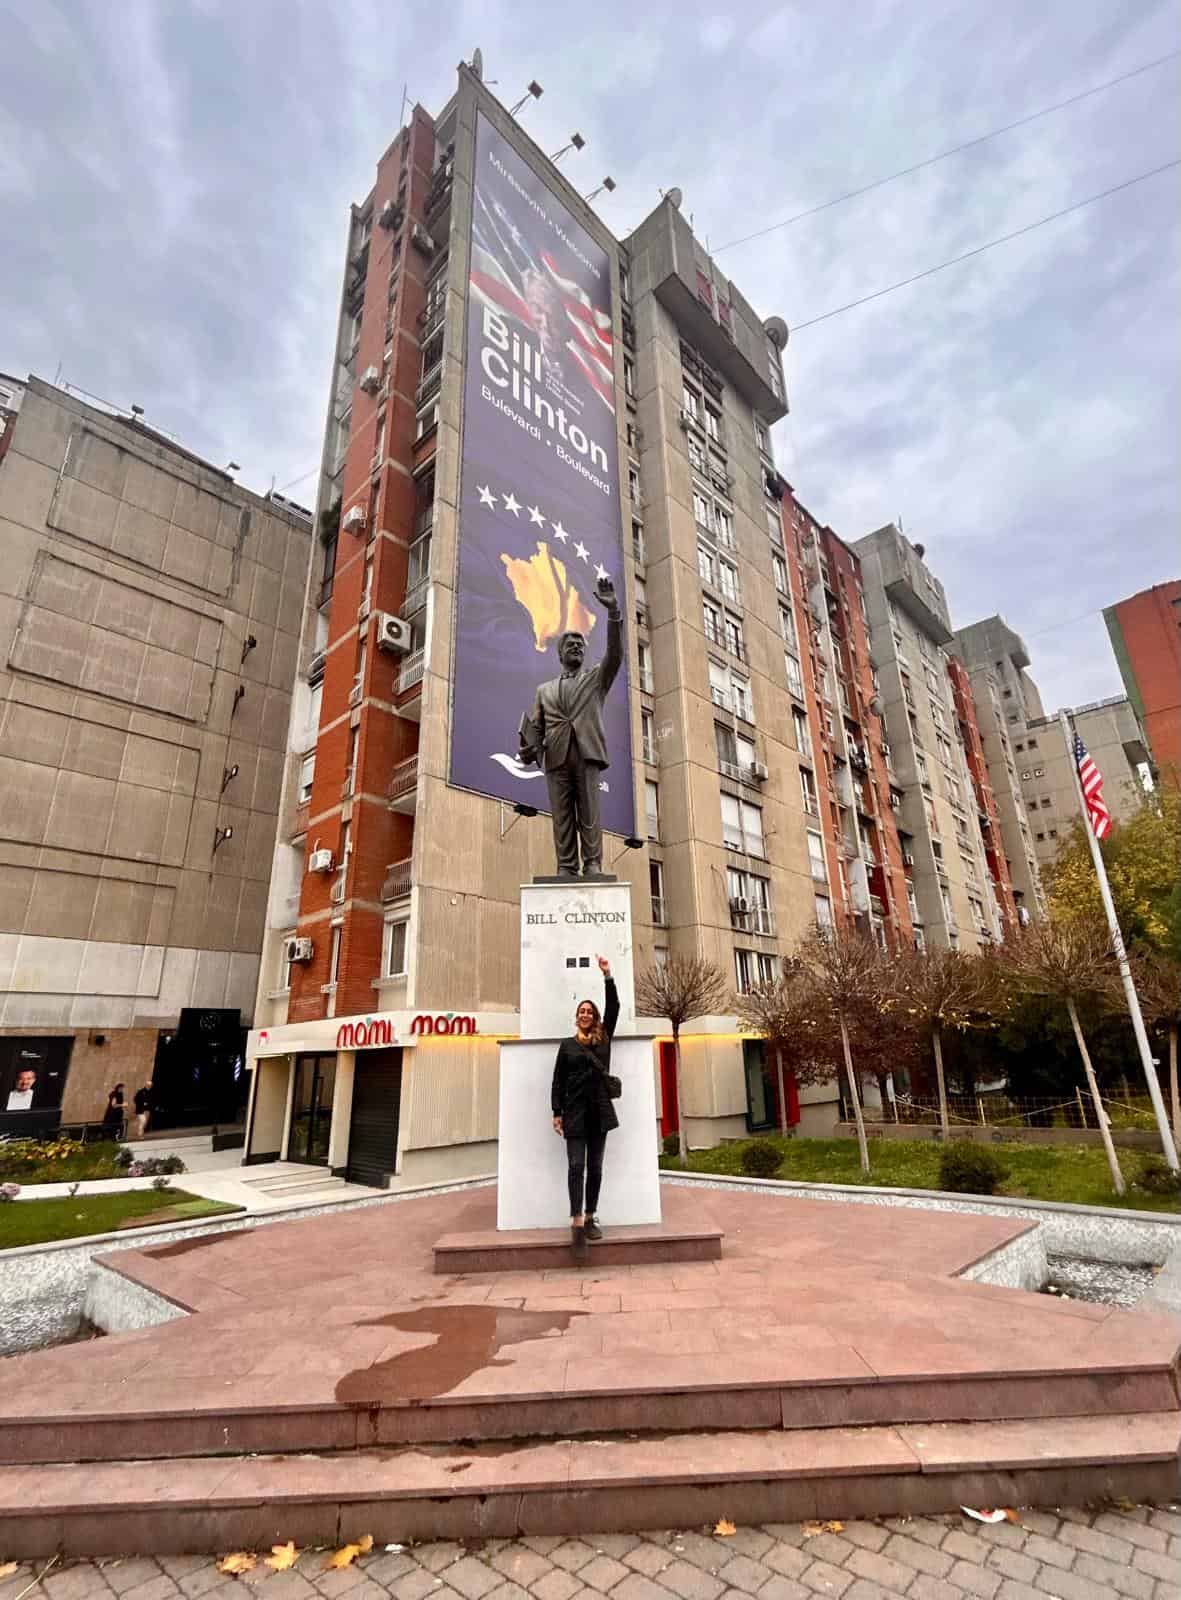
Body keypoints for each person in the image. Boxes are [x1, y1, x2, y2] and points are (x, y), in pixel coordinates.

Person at [520, 577, 623, 878]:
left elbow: (615, 656)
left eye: (580, 644)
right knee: (562, 816)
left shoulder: (595, 680)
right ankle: (566, 866)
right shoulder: (544, 690)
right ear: (560, 654)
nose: (576, 647)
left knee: (590, 812)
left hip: (586, 753)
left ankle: (592, 864)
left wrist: (613, 611)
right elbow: (536, 730)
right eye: (571, 644)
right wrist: (527, 750)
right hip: (556, 758)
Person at [551, 955, 619, 1261]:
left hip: (600, 1113)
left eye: (590, 1011)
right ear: (576, 1016)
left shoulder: (603, 1039)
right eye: (582, 1011)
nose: (586, 1014)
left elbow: (615, 1008)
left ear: (596, 1017)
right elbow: (557, 1081)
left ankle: (591, 1216)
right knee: (575, 1167)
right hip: (574, 1113)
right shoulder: (567, 1045)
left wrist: (607, 976)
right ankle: (576, 1222)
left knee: (596, 1168)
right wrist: (556, 1112)